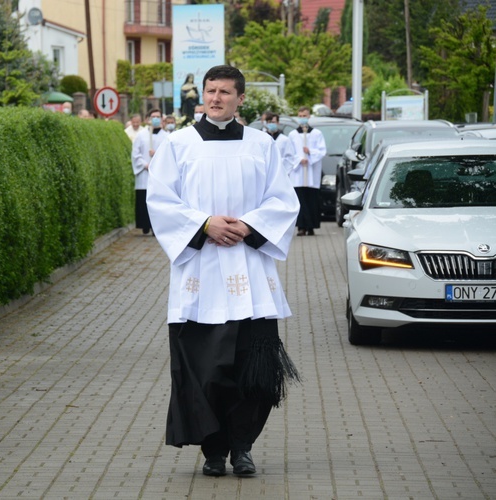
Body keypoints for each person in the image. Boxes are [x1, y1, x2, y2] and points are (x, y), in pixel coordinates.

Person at [146, 65, 301, 478]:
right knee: (206, 370)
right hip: (200, 274)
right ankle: (213, 450)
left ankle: (242, 447)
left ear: (240, 98)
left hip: (252, 272)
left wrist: (249, 226)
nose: (216, 98)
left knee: (254, 370)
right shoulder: (178, 145)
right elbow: (160, 202)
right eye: (210, 91)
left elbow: (284, 200)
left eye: (225, 92)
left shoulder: (261, 145)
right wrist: (204, 224)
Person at [287, 106, 326, 236]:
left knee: (311, 200)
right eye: (300, 116)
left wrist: (310, 154)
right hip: (298, 173)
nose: (303, 118)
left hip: (311, 172)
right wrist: (299, 160)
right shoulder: (292, 135)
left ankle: (311, 226)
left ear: (309, 117)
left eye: (305, 116)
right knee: (300, 201)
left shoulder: (316, 134)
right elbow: (289, 153)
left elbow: (322, 150)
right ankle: (301, 227)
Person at [131, 109, 166, 234]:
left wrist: (156, 156)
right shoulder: (141, 135)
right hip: (144, 173)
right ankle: (145, 225)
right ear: (147, 119)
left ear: (162, 119)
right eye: (153, 116)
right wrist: (145, 164)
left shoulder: (166, 136)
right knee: (143, 200)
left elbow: (168, 156)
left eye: (158, 116)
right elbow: (135, 154)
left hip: (159, 174)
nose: (155, 119)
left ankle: (155, 227)